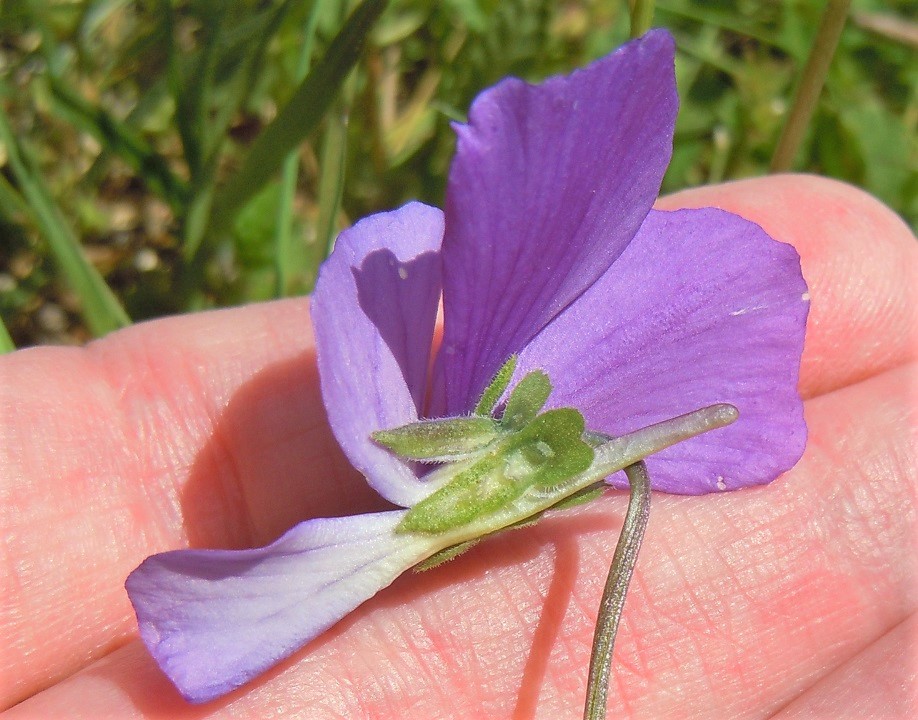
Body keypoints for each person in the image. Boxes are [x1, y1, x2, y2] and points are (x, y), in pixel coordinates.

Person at [1, 175, 914, 718]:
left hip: (446, 456)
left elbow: (734, 308)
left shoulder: (406, 457)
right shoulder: (401, 459)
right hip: (444, 458)